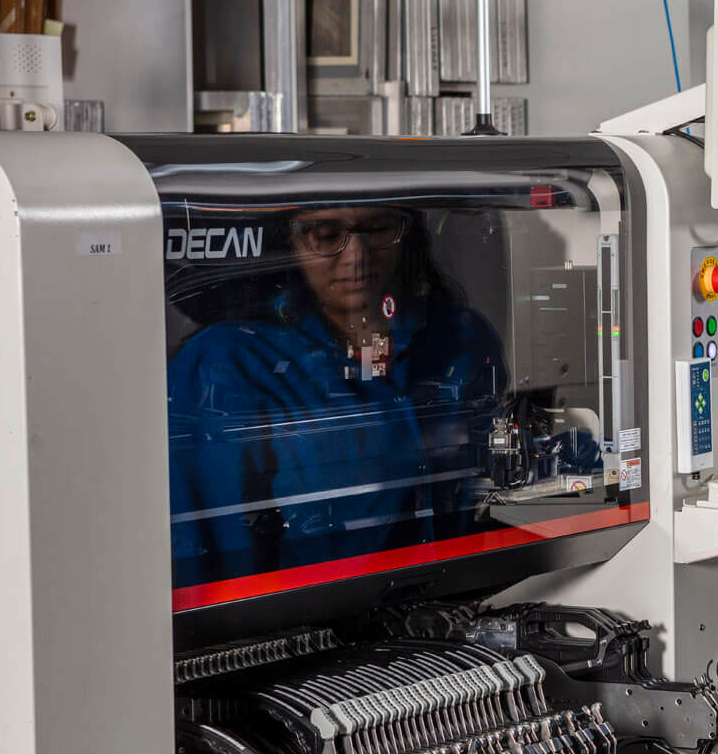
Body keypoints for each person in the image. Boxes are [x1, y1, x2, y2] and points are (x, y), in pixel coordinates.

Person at [168, 203, 507, 587]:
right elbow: (206, 556)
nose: (357, 256)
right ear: (289, 241)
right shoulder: (227, 363)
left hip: (455, 609)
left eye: (378, 229)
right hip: (306, 629)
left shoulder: (460, 336)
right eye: (326, 236)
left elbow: (492, 477)